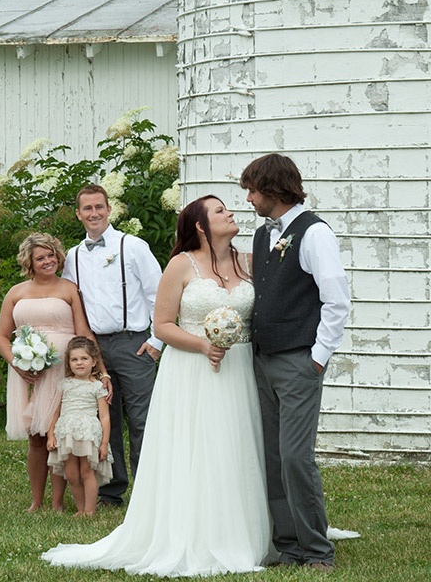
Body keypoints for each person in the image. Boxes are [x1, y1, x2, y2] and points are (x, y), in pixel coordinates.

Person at [42, 195, 276, 575]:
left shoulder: (248, 261)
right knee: (196, 445)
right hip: (194, 370)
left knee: (239, 443)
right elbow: (165, 322)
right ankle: (191, 527)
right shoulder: (181, 265)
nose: (231, 212)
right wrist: (203, 344)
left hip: (242, 370)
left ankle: (250, 530)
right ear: (200, 225)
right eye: (220, 210)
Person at [240, 153, 351, 572]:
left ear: (273, 190)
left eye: (252, 190)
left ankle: (318, 550)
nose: (248, 198)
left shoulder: (314, 232)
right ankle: (288, 547)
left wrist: (317, 359)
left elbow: (336, 300)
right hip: (262, 361)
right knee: (271, 456)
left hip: (299, 362)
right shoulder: (263, 235)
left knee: (294, 457)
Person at [62, 184, 162, 507]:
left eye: (99, 207)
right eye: (87, 209)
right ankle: (111, 491)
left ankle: (149, 492)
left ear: (109, 210)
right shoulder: (74, 257)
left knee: (142, 419)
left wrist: (156, 340)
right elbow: (72, 303)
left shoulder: (132, 246)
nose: (94, 214)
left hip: (134, 344)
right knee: (104, 420)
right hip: (95, 350)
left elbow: (157, 293)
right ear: (78, 214)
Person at [0, 232, 111, 512]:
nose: (48, 261)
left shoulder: (69, 288)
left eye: (52, 255)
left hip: (63, 369)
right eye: (40, 257)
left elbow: (83, 332)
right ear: (29, 263)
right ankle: (36, 503)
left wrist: (102, 371)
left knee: (58, 435)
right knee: (36, 438)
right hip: (28, 372)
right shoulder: (16, 292)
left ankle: (58, 503)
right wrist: (17, 364)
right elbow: (1, 337)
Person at [47, 337, 113, 517]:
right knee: (71, 474)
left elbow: (105, 416)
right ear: (69, 363)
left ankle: (90, 511)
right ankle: (80, 508)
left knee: (86, 471)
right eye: (74, 359)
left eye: (84, 359)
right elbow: (56, 411)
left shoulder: (98, 387)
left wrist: (104, 443)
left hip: (88, 433)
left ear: (94, 362)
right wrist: (51, 434)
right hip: (67, 432)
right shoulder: (64, 384)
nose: (79, 363)